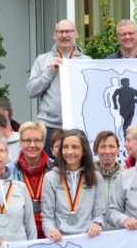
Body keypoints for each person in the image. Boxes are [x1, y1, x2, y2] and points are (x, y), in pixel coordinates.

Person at [27, 20, 91, 156]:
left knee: (77, 168)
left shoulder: (87, 62)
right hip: (49, 127)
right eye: (60, 32)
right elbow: (31, 91)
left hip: (78, 126)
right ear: (54, 35)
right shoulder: (42, 60)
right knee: (48, 168)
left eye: (68, 31)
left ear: (76, 34)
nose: (64, 35)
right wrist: (49, 72)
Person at [12, 121, 52, 240]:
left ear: (44, 142)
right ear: (20, 142)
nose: (32, 145)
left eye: (37, 140)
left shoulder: (56, 169)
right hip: (22, 235)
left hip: (52, 235)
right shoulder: (8, 171)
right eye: (27, 140)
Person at [93, 131, 122, 230]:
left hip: (121, 236)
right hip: (93, 236)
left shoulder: (127, 177)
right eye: (103, 147)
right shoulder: (87, 176)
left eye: (111, 146)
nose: (107, 151)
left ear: (118, 150)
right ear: (96, 150)